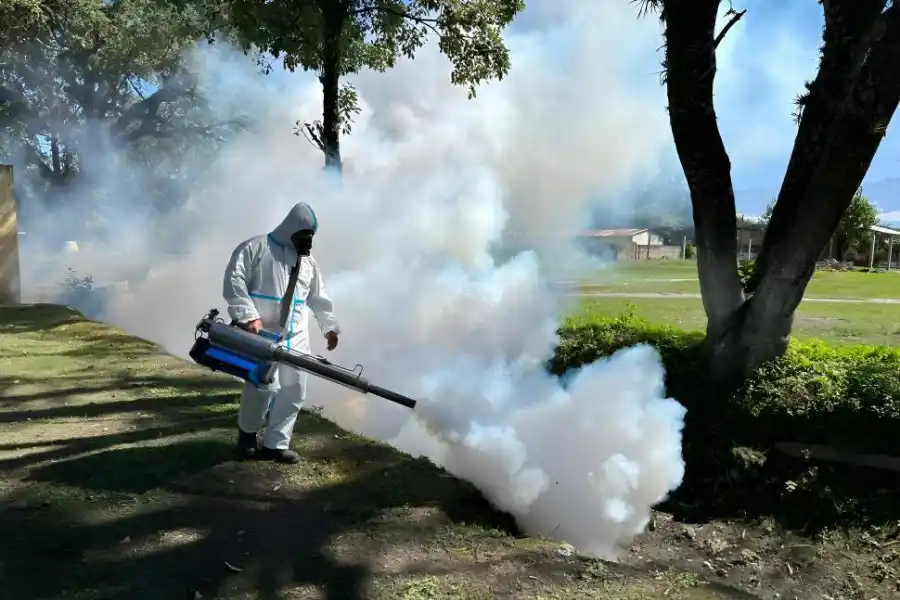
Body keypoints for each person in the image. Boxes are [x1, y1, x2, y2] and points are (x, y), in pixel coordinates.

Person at [223, 202, 340, 464]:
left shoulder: (308, 263)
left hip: (296, 334)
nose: (307, 244)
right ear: (290, 229)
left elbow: (319, 298)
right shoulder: (256, 248)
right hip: (261, 331)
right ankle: (247, 436)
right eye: (303, 237)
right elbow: (234, 281)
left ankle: (277, 443)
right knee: (261, 386)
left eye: (310, 238)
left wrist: (329, 327)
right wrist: (248, 315)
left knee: (294, 387)